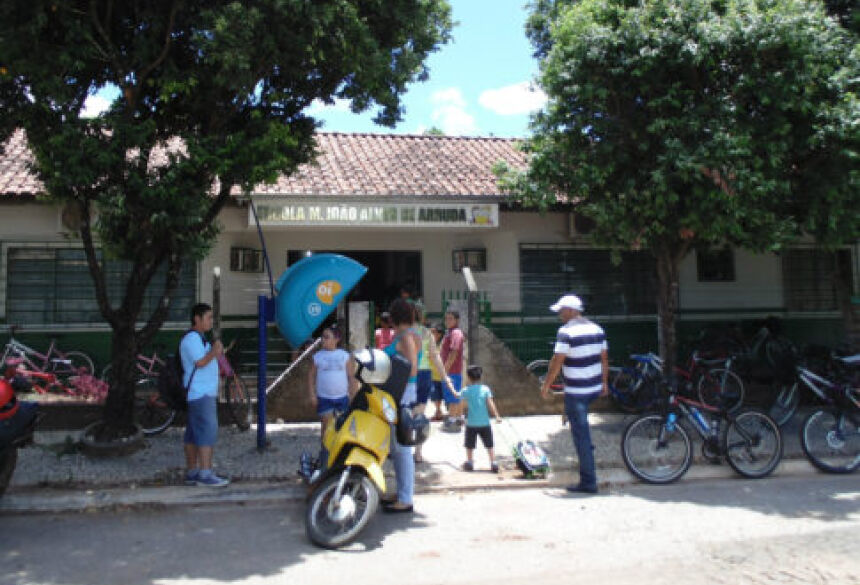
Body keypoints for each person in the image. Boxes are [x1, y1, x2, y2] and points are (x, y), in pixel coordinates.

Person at [540, 294, 609, 495]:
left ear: (571, 311)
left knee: (581, 436)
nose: (560, 315)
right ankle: (587, 452)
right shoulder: (597, 329)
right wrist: (604, 383)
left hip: (577, 391)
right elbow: (604, 358)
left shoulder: (566, 332)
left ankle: (589, 481)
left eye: (562, 311)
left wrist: (546, 386)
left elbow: (556, 361)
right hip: (594, 388)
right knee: (580, 426)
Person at [181, 303, 229, 487]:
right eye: (208, 317)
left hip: (203, 392)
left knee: (193, 433)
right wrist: (214, 352)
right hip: (200, 393)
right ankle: (205, 473)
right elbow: (200, 362)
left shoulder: (201, 339)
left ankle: (193, 471)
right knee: (207, 432)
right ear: (197, 319)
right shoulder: (191, 340)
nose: (211, 321)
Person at [381, 298, 420, 513]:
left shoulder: (406, 337)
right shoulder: (407, 335)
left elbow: (411, 367)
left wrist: (397, 387)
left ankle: (405, 498)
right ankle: (402, 492)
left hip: (402, 393)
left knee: (402, 448)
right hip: (402, 392)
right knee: (397, 448)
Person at [411, 303, 456, 463]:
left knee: (404, 413)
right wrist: (445, 376)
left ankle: (403, 449)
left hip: (408, 374)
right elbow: (435, 356)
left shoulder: (403, 332)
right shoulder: (426, 333)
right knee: (420, 414)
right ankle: (417, 452)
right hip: (424, 374)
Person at [308, 326, 356, 438]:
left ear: (336, 339)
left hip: (342, 398)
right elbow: (311, 375)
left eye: (327, 337)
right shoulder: (318, 356)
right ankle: (325, 453)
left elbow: (351, 377)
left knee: (342, 427)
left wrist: (353, 396)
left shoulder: (344, 356)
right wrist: (312, 394)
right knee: (326, 427)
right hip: (324, 398)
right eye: (322, 337)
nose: (323, 340)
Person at [459, 365, 502, 473]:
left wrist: (462, 416)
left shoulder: (465, 391)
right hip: (484, 423)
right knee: (489, 444)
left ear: (468, 377)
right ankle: (493, 462)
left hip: (471, 423)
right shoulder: (485, 389)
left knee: (469, 444)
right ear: (480, 377)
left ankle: (469, 462)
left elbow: (462, 405)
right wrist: (497, 415)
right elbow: (490, 403)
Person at [440, 309, 465, 423]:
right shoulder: (450, 332)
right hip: (452, 371)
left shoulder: (456, 333)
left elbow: (454, 352)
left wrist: (445, 370)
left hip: (452, 371)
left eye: (450, 319)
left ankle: (452, 420)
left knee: (452, 396)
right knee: (456, 394)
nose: (447, 321)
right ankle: (459, 417)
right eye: (446, 318)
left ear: (457, 320)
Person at [428, 322, 447, 421]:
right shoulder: (429, 344)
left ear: (439, 334)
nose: (430, 334)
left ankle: (440, 412)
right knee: (435, 395)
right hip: (432, 375)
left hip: (442, 375)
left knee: (444, 395)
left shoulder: (443, 345)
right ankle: (438, 411)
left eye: (433, 332)